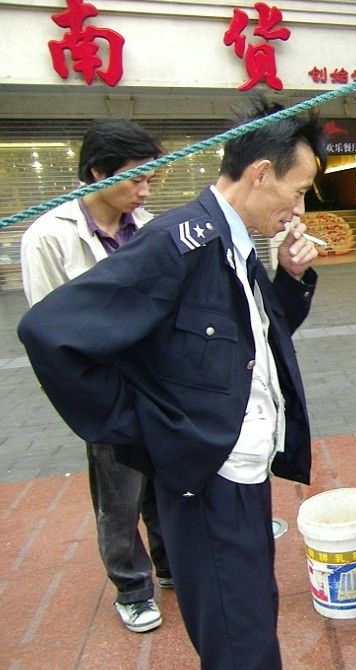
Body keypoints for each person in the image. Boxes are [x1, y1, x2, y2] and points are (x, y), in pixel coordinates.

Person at [18, 100, 327, 669]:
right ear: (261, 174)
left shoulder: (232, 244)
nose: (299, 206)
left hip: (243, 469)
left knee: (251, 615)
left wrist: (291, 277)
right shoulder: (176, 242)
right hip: (207, 477)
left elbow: (258, 342)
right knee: (241, 644)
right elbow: (47, 331)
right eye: (300, 189)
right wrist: (143, 428)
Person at [19, 119, 171, 634]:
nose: (145, 190)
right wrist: (92, 402)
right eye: (136, 177)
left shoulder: (147, 227)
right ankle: (132, 586)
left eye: (151, 178)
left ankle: (170, 566)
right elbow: (47, 331)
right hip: (104, 388)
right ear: (96, 172)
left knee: (164, 479)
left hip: (154, 380)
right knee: (119, 491)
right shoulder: (49, 236)